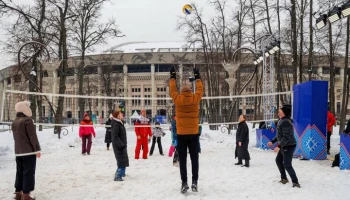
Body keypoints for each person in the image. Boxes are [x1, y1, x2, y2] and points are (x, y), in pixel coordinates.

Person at [169, 66, 203, 193]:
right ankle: (195, 182)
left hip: (182, 134)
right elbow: (200, 89)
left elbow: (172, 90)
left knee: (182, 160)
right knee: (194, 159)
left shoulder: (178, 99)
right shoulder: (195, 99)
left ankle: (184, 183)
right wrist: (198, 77)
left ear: (182, 92)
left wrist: (173, 76)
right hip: (193, 133)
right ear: (190, 91)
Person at [12, 101, 41, 200]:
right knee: (28, 172)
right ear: (25, 109)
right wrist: (37, 150)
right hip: (29, 152)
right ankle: (26, 194)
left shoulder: (15, 121)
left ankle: (17, 192)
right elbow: (33, 137)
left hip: (18, 152)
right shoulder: (28, 121)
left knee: (19, 171)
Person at [268, 104, 300, 188]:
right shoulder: (281, 120)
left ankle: (295, 182)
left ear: (284, 112)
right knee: (278, 161)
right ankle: (284, 178)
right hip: (284, 145)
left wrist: (278, 146)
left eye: (280, 111)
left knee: (287, 164)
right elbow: (280, 135)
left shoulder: (286, 122)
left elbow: (286, 137)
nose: (278, 112)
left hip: (289, 145)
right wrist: (272, 141)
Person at [111, 109, 129, 181]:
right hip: (119, 146)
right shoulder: (116, 124)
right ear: (118, 116)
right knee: (121, 161)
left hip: (121, 145)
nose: (122, 115)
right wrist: (121, 145)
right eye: (121, 114)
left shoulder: (120, 123)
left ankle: (121, 173)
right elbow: (115, 136)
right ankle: (118, 176)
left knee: (123, 160)